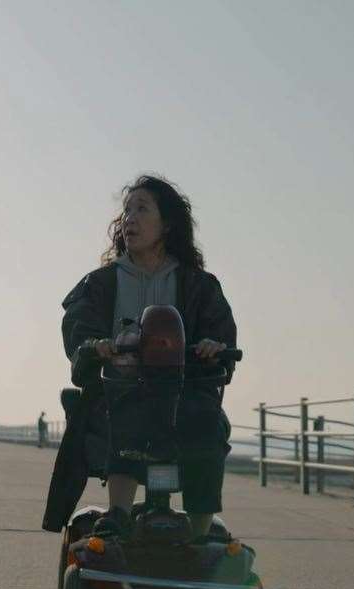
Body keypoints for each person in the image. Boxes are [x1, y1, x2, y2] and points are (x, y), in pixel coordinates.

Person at [42, 175, 237, 539]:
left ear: (166, 224)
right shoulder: (100, 283)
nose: (129, 218)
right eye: (127, 210)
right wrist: (94, 345)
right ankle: (117, 513)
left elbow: (222, 336)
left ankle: (199, 531)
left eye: (142, 209)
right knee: (127, 408)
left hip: (184, 394)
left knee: (208, 422)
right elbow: (78, 327)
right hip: (119, 389)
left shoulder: (199, 285)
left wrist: (214, 345)